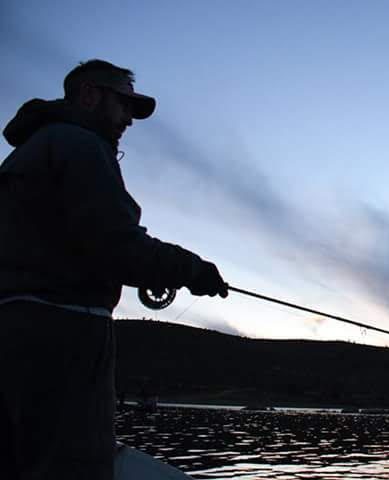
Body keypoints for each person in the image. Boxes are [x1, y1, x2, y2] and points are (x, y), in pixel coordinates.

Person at [0, 59, 228, 479]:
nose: (129, 119)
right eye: (124, 104)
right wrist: (194, 270)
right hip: (63, 337)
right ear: (89, 95)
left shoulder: (27, 152)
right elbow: (118, 246)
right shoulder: (80, 145)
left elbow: (83, 242)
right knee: (72, 463)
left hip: (15, 330)